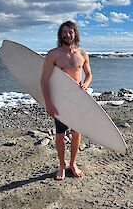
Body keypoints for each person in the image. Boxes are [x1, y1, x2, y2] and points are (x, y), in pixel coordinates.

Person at [41, 20, 92, 180]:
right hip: (60, 100)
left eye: (70, 32)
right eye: (64, 32)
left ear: (75, 34)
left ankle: (73, 163)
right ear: (60, 34)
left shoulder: (82, 54)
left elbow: (89, 75)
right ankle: (62, 166)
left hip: (77, 100)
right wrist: (48, 103)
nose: (67, 35)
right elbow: (44, 80)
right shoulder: (53, 54)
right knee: (60, 135)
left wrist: (85, 84)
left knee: (77, 133)